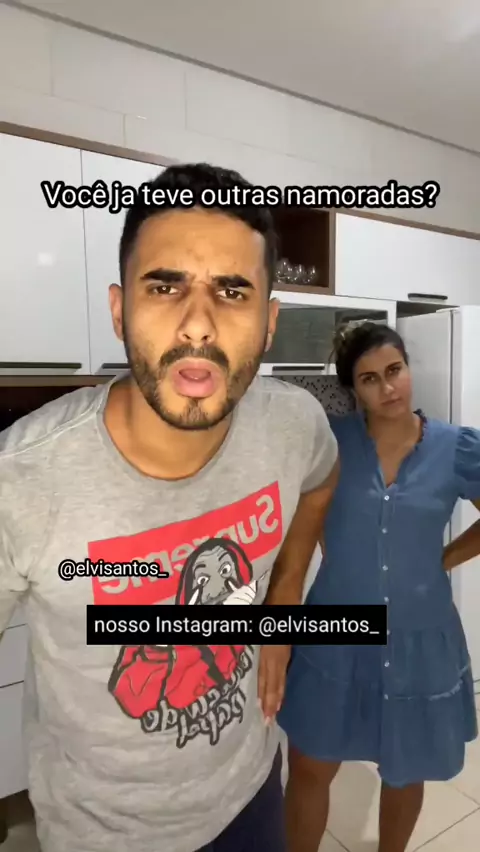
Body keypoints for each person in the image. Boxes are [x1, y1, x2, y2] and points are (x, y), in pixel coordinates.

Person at [0, 163, 339, 852]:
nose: (198, 325)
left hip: (251, 793)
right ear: (119, 310)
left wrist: (282, 606)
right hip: (104, 834)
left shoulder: (292, 423)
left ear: (269, 323)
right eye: (165, 286)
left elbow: (320, 481)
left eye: (233, 291)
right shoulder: (22, 479)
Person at [278, 321, 480, 852]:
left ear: (408, 368)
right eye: (370, 379)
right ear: (354, 389)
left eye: (395, 370)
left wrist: (444, 559)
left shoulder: (457, 448)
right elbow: (302, 519)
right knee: (310, 765)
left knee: (404, 770)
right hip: (335, 635)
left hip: (419, 636)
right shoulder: (331, 443)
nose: (388, 387)